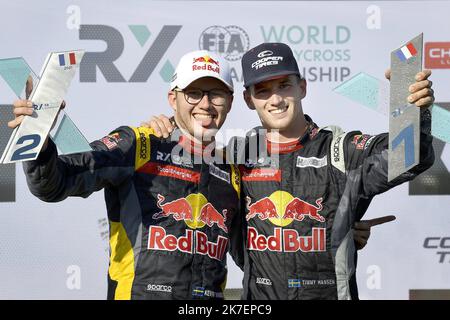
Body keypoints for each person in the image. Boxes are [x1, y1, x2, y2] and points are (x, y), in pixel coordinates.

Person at [145, 42, 435, 300]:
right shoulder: (235, 157)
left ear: (302, 87)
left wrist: (410, 108)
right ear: (248, 99)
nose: (276, 99)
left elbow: (408, 157)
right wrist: (165, 128)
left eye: (284, 85)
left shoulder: (339, 150)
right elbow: (202, 219)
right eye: (263, 90)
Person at [10, 50, 243, 300]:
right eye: (193, 93)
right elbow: (55, 183)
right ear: (173, 99)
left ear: (230, 101)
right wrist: (39, 136)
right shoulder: (138, 144)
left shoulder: (232, 171)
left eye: (216, 94)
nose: (205, 104)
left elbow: (259, 259)